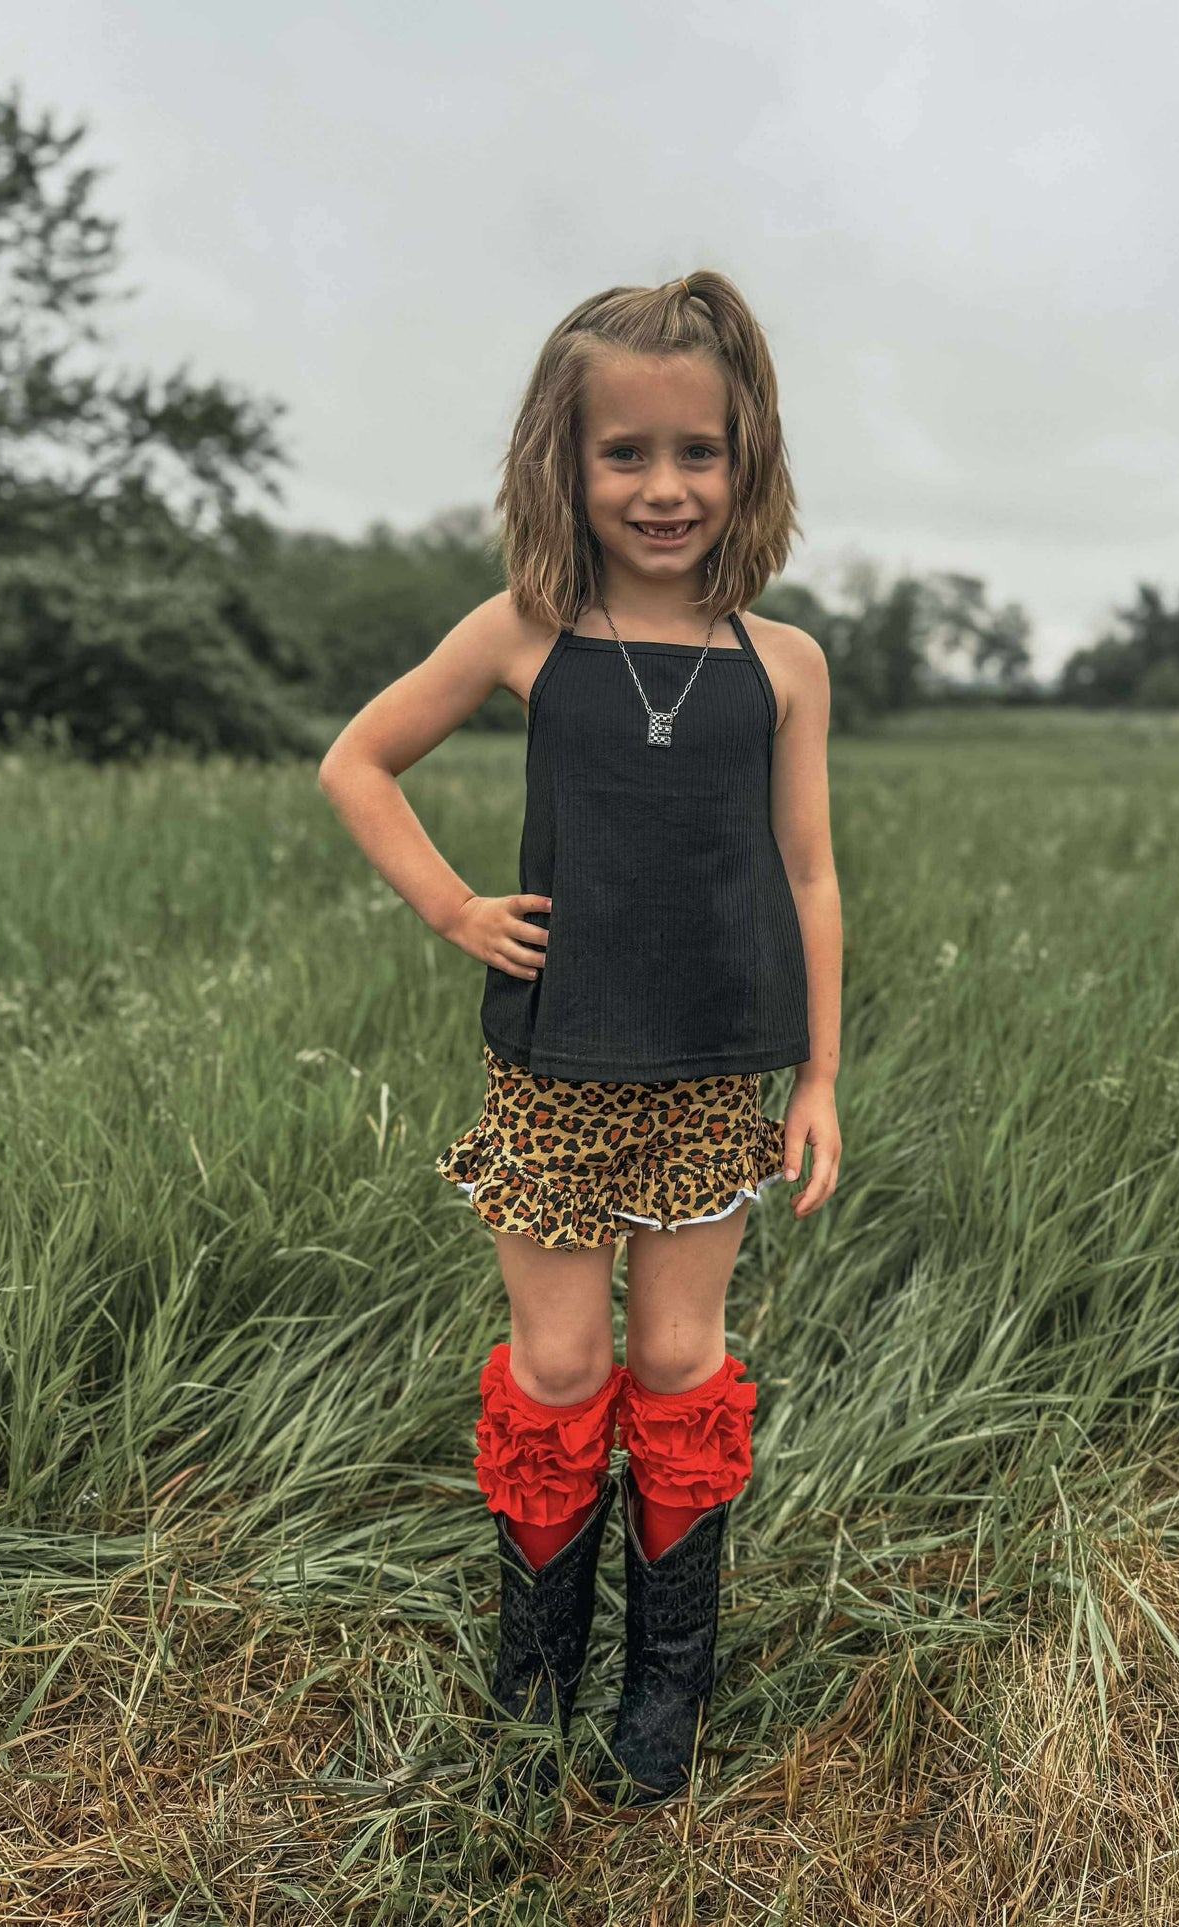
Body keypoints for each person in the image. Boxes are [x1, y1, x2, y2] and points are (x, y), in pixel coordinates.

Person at [318, 269, 842, 1808]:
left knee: (679, 1360)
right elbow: (358, 763)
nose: (663, 488)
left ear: (745, 460)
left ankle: (663, 1681)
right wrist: (453, 908)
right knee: (558, 1367)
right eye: (626, 454)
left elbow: (810, 872)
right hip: (554, 1074)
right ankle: (533, 1681)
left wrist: (818, 1074)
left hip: (714, 1076)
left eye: (697, 452)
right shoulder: (526, 630)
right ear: (567, 460)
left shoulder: (784, 663)